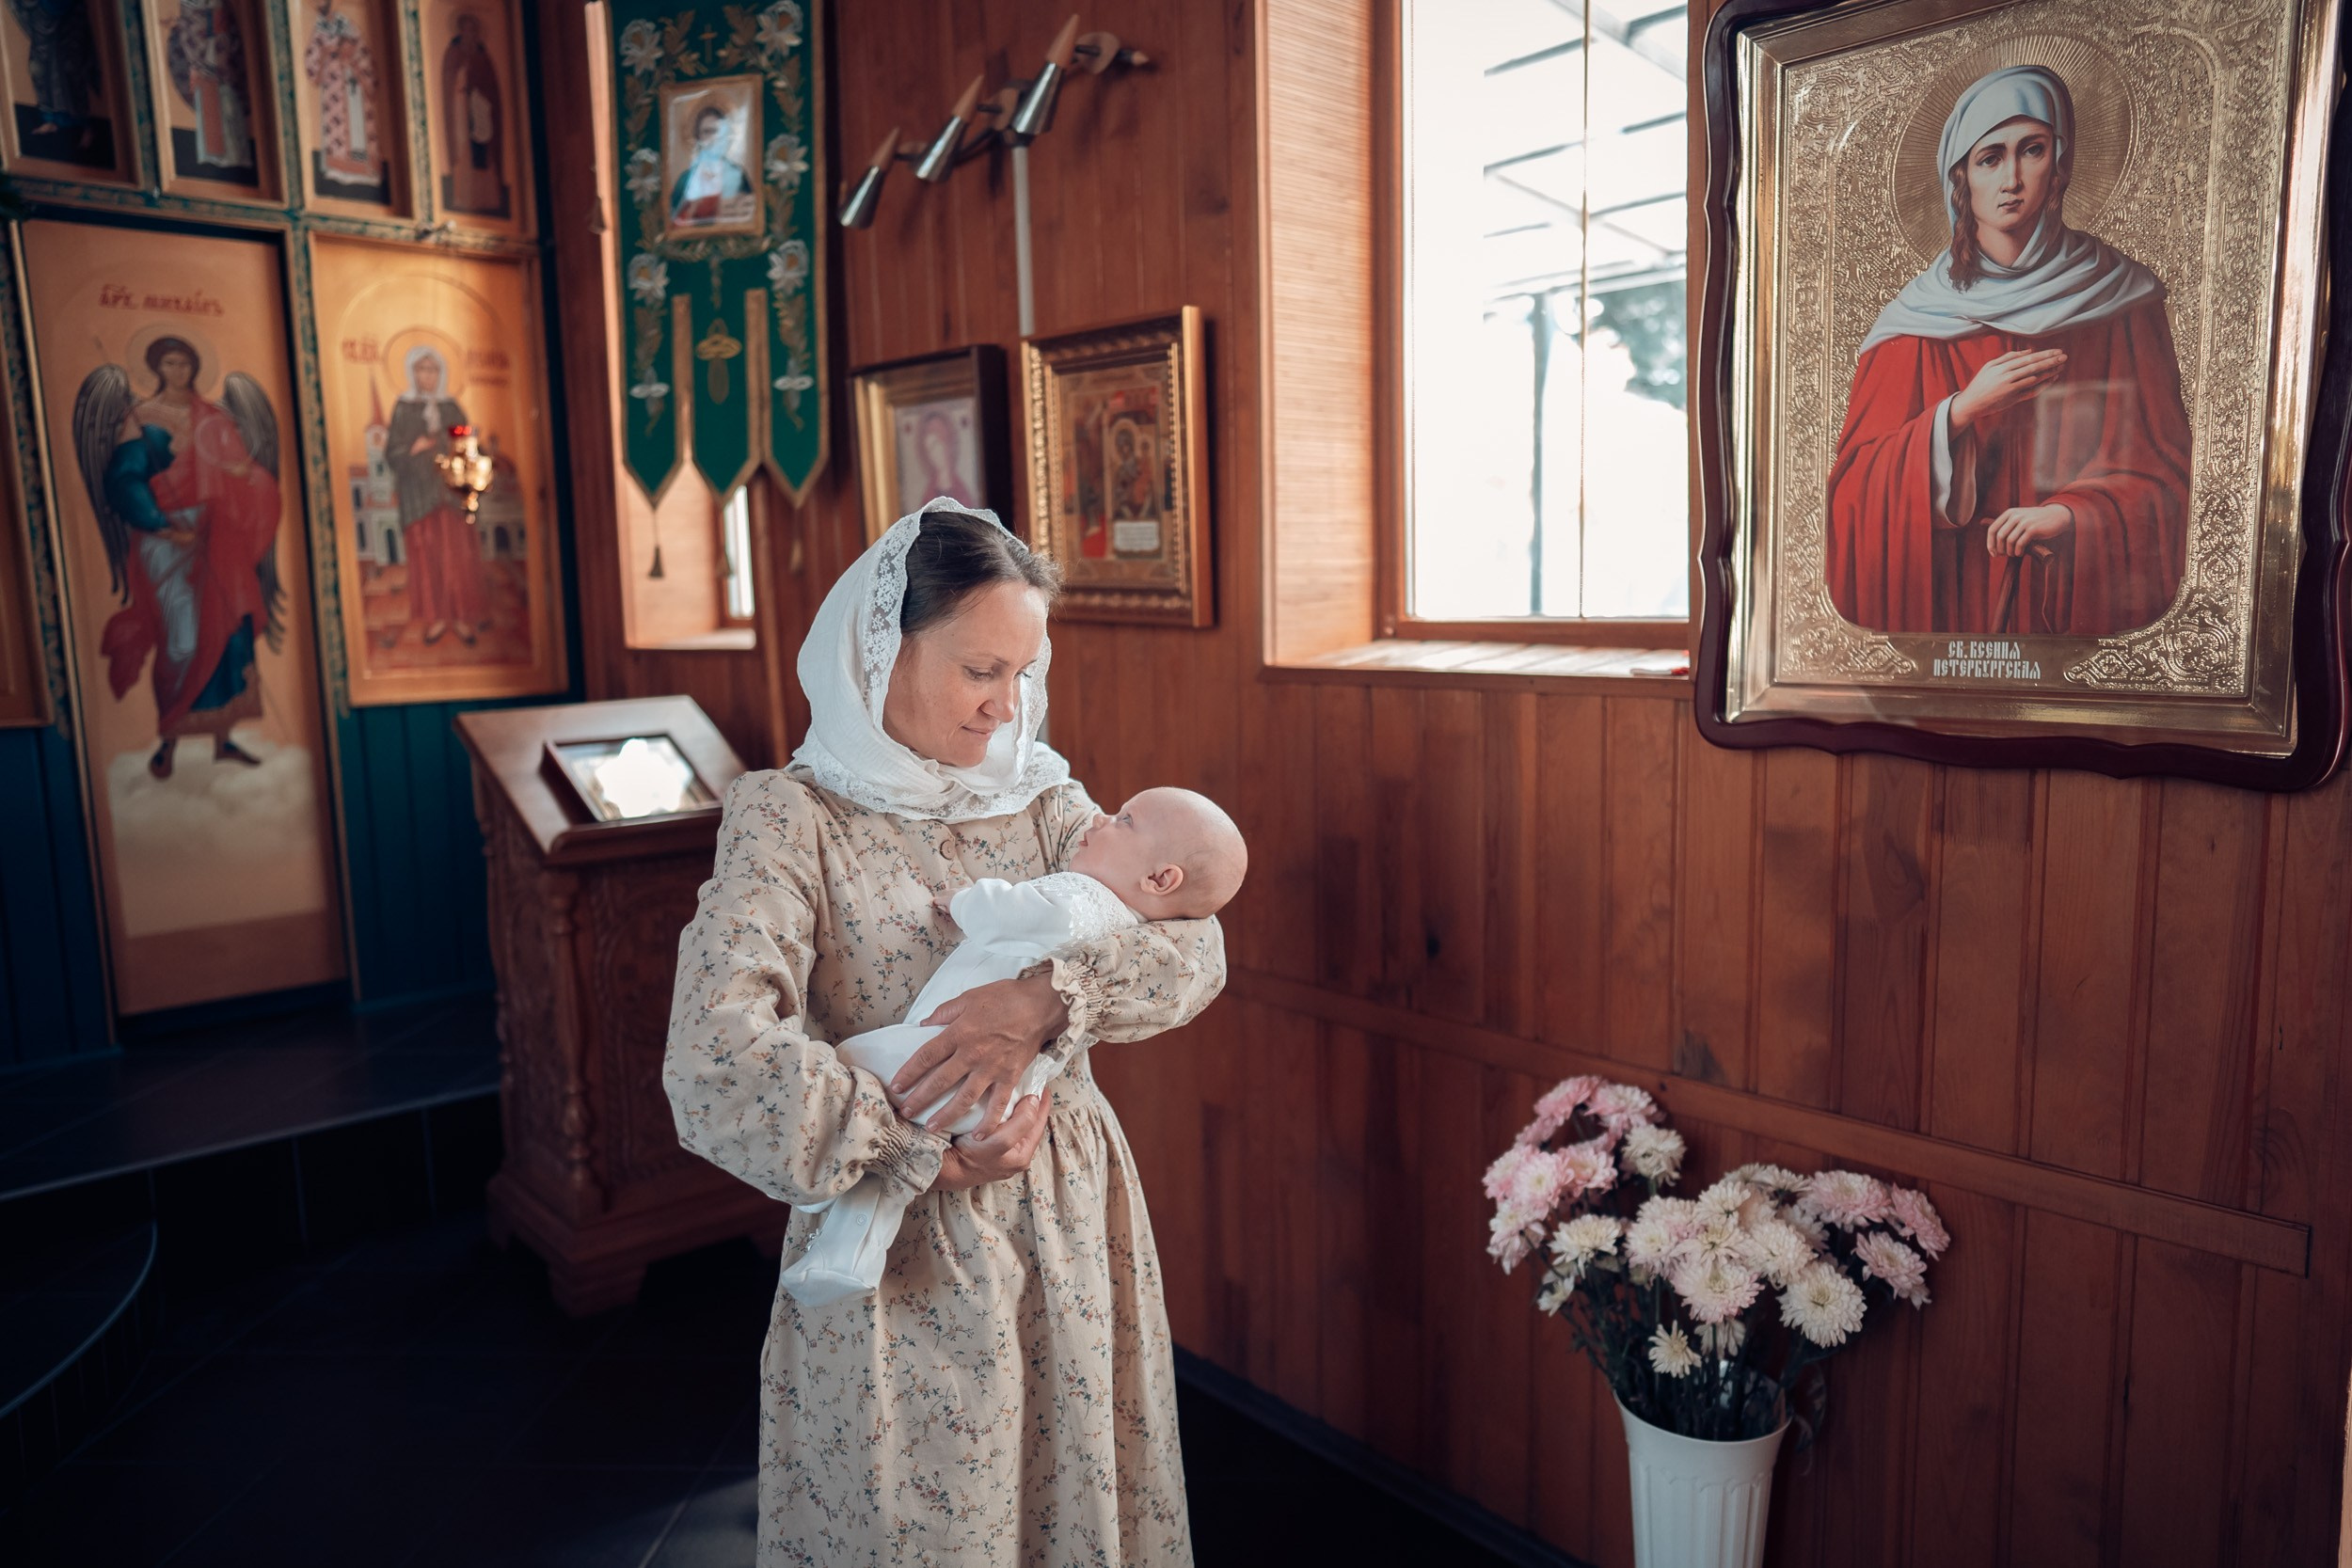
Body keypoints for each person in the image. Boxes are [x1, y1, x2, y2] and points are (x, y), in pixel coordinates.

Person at [664, 500, 1226, 1564]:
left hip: (1067, 1222)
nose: (1004, 707)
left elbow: (1195, 951)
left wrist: (1045, 1001)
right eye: (980, 670)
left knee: (1075, 1506)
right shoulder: (794, 819)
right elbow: (715, 1057)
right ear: (883, 647)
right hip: (904, 1245)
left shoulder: (1043, 796)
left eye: (1022, 672)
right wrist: (920, 1137)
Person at [780, 785, 1248, 1308]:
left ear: (1161, 879)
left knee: (849, 1064)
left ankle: (835, 1234)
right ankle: (847, 1256)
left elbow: (1018, 913)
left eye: (1124, 820)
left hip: (944, 1066)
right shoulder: (1126, 917)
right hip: (1001, 1102)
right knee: (887, 1181)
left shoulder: (1085, 898)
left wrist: (964, 900)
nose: (1101, 819)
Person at [1825, 65, 2191, 637]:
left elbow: (2168, 474)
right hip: (1954, 602)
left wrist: (2072, 516)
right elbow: (1853, 492)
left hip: (2069, 595)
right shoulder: (1912, 324)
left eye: (2033, 150)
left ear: (2061, 164)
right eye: (1990, 157)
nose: (2012, 178)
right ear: (1961, 180)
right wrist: (1959, 412)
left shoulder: (2123, 301)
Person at [87, 337, 281, 780]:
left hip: (217, 536)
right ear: (157, 367)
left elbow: (242, 474)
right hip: (166, 540)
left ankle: (222, 739)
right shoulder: (143, 418)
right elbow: (124, 481)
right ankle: (168, 741)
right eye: (170, 363)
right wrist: (161, 524)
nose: (178, 371)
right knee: (182, 639)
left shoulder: (214, 418)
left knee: (229, 631)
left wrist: (244, 476)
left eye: (185, 363)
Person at [383, 346, 489, 646]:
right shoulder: (404, 408)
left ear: (440, 373)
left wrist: (432, 442)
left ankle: (461, 617)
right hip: (418, 496)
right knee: (427, 557)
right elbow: (393, 452)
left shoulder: (452, 407)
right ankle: (436, 618)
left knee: (456, 555)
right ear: (412, 373)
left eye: (432, 370)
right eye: (421, 370)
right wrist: (413, 449)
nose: (426, 376)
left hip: (451, 495)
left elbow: (467, 442)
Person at [668, 104, 753, 227]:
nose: (713, 138)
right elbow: (673, 220)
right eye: (707, 132)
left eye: (718, 131)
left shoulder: (738, 174)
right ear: (698, 137)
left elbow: (749, 214)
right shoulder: (685, 179)